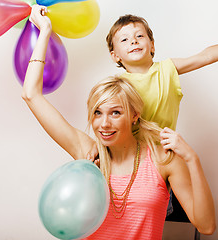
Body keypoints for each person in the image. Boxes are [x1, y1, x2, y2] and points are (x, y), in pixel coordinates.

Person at [22, 5, 216, 239]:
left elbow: (206, 227)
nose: (103, 123)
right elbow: (31, 94)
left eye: (115, 113)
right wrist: (45, 31)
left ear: (135, 114)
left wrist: (191, 158)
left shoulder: (165, 159)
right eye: (97, 113)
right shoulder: (90, 153)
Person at [88, 14, 218, 218]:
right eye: (124, 39)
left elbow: (205, 56)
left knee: (149, 210)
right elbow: (104, 119)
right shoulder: (118, 84)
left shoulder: (168, 69)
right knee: (121, 210)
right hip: (128, 158)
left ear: (152, 45)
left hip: (161, 161)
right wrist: (99, 143)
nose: (133, 41)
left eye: (139, 36)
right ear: (115, 56)